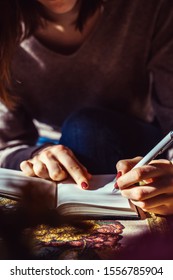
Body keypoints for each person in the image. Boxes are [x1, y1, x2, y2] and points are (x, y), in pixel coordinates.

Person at [0, 0, 173, 215]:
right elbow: (6, 146)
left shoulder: (148, 8)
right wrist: (37, 157)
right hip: (50, 153)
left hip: (141, 153)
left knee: (86, 131)